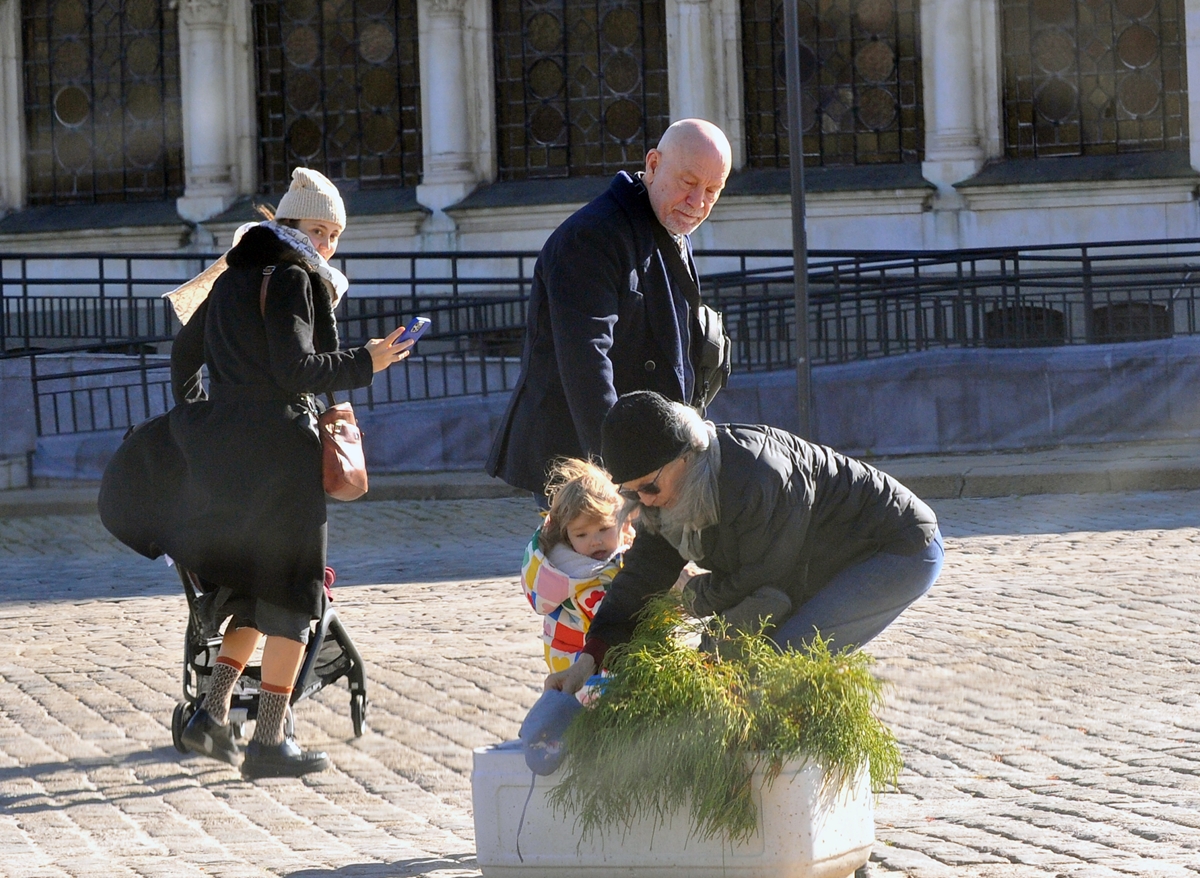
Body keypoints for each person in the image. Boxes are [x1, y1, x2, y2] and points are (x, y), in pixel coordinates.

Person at [108, 168, 416, 778]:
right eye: (318, 229)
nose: (327, 243)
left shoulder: (233, 275)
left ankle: (210, 715)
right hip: (278, 456)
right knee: (296, 599)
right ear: (289, 226)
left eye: (335, 233)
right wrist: (368, 360)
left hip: (228, 455)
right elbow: (297, 369)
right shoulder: (295, 276)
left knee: (252, 592)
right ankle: (270, 742)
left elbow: (183, 354)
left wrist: (205, 417)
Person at [545, 391, 944, 695]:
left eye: (649, 487)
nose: (644, 501)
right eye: (631, 494)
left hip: (897, 546)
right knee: (749, 659)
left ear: (684, 456)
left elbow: (766, 587)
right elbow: (641, 576)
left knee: (782, 655)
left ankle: (780, 766)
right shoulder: (665, 492)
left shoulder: (758, 477)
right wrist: (589, 659)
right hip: (816, 561)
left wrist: (693, 598)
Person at [486, 119, 733, 501]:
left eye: (713, 191)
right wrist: (618, 473)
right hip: (586, 465)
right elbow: (587, 363)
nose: (698, 202)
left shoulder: (664, 222)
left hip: (648, 453)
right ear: (652, 165)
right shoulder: (592, 236)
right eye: (688, 183)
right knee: (589, 562)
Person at [521, 458, 634, 673]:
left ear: (624, 523)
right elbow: (620, 619)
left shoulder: (610, 560)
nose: (595, 540)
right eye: (582, 534)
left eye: (604, 529)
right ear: (566, 537)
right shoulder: (578, 576)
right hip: (583, 669)